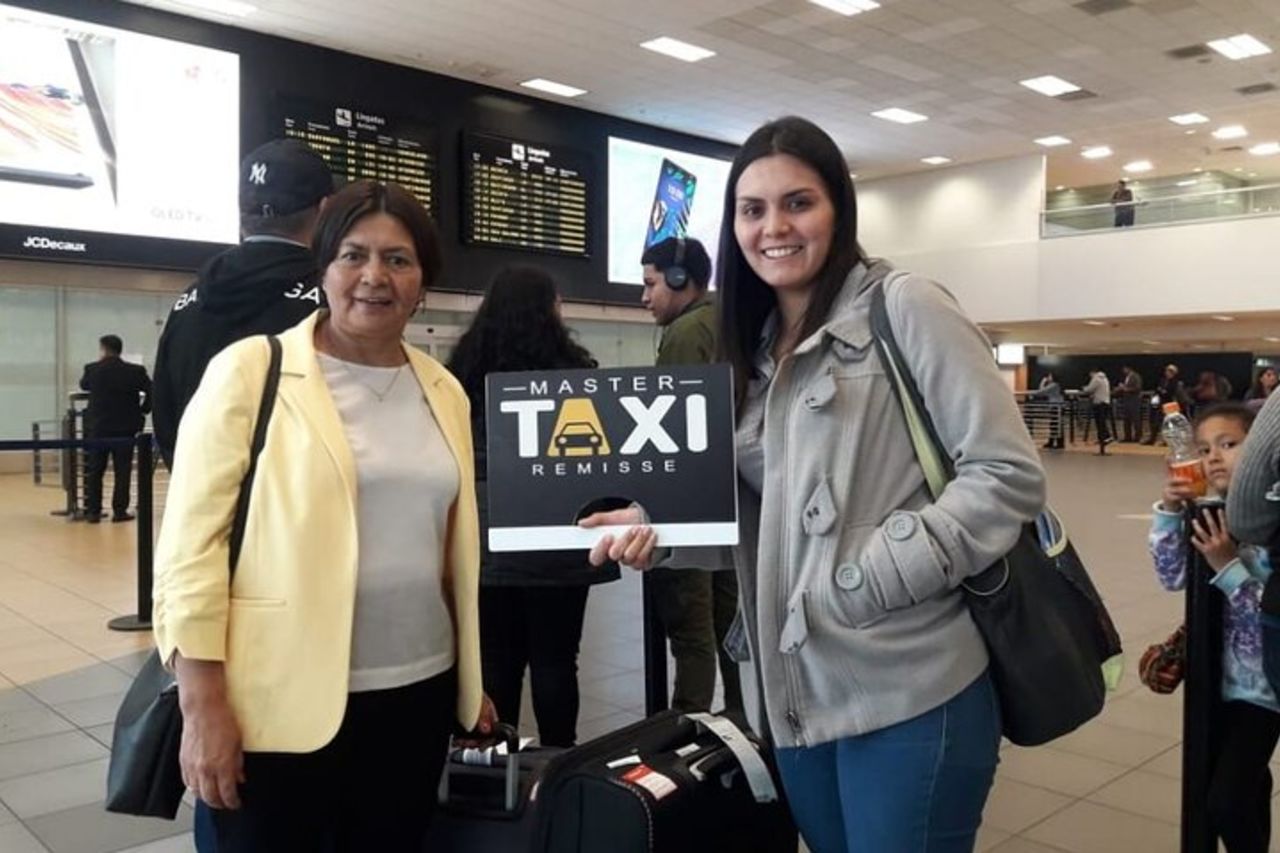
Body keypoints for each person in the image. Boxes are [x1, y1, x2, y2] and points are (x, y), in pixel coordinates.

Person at [587, 116, 1046, 852]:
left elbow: (1007, 471)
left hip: (910, 687)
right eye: (753, 208)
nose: (774, 227)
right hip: (794, 699)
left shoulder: (907, 306)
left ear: (839, 208)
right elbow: (763, 515)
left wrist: (871, 576)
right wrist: (656, 528)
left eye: (798, 203)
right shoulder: (758, 347)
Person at [152, 180, 495, 852]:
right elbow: (192, 549)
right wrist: (203, 706)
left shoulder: (442, 389)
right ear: (324, 268)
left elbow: (447, 546)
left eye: (398, 260)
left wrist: (470, 680)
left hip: (416, 695)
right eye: (353, 255)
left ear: (423, 280)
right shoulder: (253, 372)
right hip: (279, 701)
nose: (374, 277)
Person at [446, 266, 619, 747]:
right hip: (560, 537)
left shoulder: (462, 375)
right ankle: (558, 765)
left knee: (498, 661)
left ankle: (500, 764)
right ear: (548, 309)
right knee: (558, 659)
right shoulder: (576, 376)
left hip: (487, 539)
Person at [152, 138, 332, 470]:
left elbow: (164, 413)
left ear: (242, 214)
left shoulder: (189, 302)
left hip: (205, 504)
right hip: (302, 512)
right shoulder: (330, 306)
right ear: (323, 211)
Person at [1150, 402, 1278, 852]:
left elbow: (1270, 616)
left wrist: (1227, 565)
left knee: (1225, 800)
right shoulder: (1208, 512)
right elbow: (1172, 577)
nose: (1215, 457)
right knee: (1243, 786)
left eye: (1230, 444)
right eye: (1204, 448)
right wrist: (1169, 510)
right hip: (1212, 681)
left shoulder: (1269, 523)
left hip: (1263, 689)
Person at [638, 235, 742, 714]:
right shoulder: (726, 321)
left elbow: (671, 429)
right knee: (728, 624)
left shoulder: (684, 334)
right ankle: (742, 723)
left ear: (680, 280)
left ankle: (688, 729)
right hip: (730, 499)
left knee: (690, 628)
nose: (645, 297)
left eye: (651, 284)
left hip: (690, 503)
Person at [78, 334, 151, 523]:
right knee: (123, 470)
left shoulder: (92, 370)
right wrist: (143, 410)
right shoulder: (135, 371)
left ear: (103, 349)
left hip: (98, 427)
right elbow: (152, 390)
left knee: (95, 470)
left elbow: (84, 385)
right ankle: (120, 511)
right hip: (125, 429)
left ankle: (93, 511)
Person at [1146, 364, 1188, 445]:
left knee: (1170, 423)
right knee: (1156, 422)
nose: (1166, 373)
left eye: (1168, 371)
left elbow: (1169, 392)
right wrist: (1161, 391)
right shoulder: (1163, 380)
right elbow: (1158, 389)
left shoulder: (1175, 382)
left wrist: (1162, 391)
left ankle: (1168, 441)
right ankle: (1152, 439)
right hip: (1161, 403)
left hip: (1170, 404)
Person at [1081, 368, 1113, 448]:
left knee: (1100, 422)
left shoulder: (1096, 379)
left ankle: (1106, 437)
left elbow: (1089, 389)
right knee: (1102, 421)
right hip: (1106, 401)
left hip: (1099, 403)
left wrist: (1084, 388)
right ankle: (1103, 438)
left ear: (1093, 372)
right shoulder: (1105, 378)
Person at [1032, 372, 1065, 450]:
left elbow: (1040, 392)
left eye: (1049, 376)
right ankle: (1056, 442)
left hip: (1056, 407)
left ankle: (1055, 442)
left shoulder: (1053, 385)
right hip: (1059, 406)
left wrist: (1043, 381)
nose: (1048, 377)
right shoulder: (1056, 385)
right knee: (1056, 425)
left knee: (1054, 426)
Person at [1117, 365, 1144, 442]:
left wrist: (1126, 389)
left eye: (1124, 369)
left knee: (1135, 419)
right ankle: (1127, 437)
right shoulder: (1126, 377)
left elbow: (1138, 387)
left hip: (1134, 400)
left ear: (1128, 368)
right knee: (1126, 419)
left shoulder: (1136, 376)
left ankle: (1137, 437)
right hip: (1127, 400)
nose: (1123, 371)